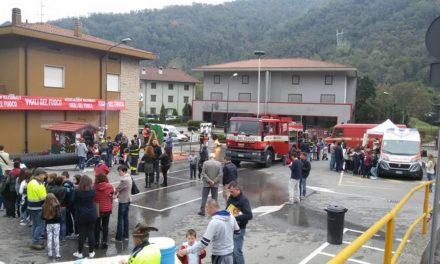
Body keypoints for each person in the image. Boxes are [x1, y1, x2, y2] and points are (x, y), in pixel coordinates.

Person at [178, 199, 240, 264]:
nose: (207, 212)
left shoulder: (214, 222)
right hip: (230, 254)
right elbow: (238, 232)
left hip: (219, 255)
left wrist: (186, 251)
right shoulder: (231, 215)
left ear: (211, 208)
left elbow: (203, 243)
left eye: (207, 209)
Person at [226, 182, 252, 264]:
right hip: (231, 228)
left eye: (232, 191)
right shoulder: (230, 198)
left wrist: (235, 217)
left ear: (238, 190)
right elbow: (227, 209)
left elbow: (249, 215)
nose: (230, 193)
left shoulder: (244, 200)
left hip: (240, 228)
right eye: (230, 191)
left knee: (237, 251)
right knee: (232, 251)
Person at [73, 175, 97, 259]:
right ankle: (91, 252)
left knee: (82, 234)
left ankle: (80, 252)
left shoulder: (77, 191)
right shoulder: (93, 191)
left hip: (81, 214)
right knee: (91, 233)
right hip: (91, 214)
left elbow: (73, 201)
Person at [27, 168, 47, 250]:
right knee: (40, 225)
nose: (45, 176)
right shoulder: (39, 184)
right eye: (43, 175)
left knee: (35, 225)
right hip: (38, 207)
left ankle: (35, 240)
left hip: (31, 207)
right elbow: (44, 197)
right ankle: (35, 242)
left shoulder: (31, 182)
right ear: (39, 174)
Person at [94, 173, 114, 249]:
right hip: (107, 208)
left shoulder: (94, 187)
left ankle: (96, 242)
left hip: (97, 208)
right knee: (105, 226)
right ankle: (104, 242)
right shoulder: (109, 186)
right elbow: (112, 194)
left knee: (97, 226)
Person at [114, 165, 132, 242]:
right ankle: (126, 235)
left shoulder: (124, 180)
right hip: (128, 200)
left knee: (120, 219)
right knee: (125, 219)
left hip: (123, 201)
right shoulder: (129, 177)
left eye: (120, 171)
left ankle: (119, 238)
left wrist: (113, 190)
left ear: (124, 171)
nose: (119, 173)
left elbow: (117, 189)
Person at [42, 193, 61, 259]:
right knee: (56, 238)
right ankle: (57, 254)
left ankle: (50, 253)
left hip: (48, 224)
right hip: (56, 224)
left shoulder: (44, 206)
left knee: (49, 239)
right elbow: (59, 217)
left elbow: (42, 217)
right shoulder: (57, 206)